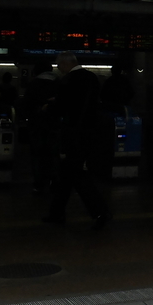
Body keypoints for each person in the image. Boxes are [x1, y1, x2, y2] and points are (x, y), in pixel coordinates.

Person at [43, 52, 111, 229]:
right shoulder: (92, 78)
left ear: (66, 64)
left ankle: (100, 212)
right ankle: (56, 213)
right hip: (89, 133)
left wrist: (50, 105)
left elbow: (62, 108)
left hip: (73, 135)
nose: (58, 69)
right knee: (66, 175)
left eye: (58, 65)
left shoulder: (68, 80)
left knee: (76, 175)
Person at [21, 61, 59, 193]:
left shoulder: (33, 84)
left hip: (36, 124)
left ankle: (39, 183)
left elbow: (26, 106)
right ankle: (54, 181)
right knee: (53, 154)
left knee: (37, 154)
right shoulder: (59, 83)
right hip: (55, 124)